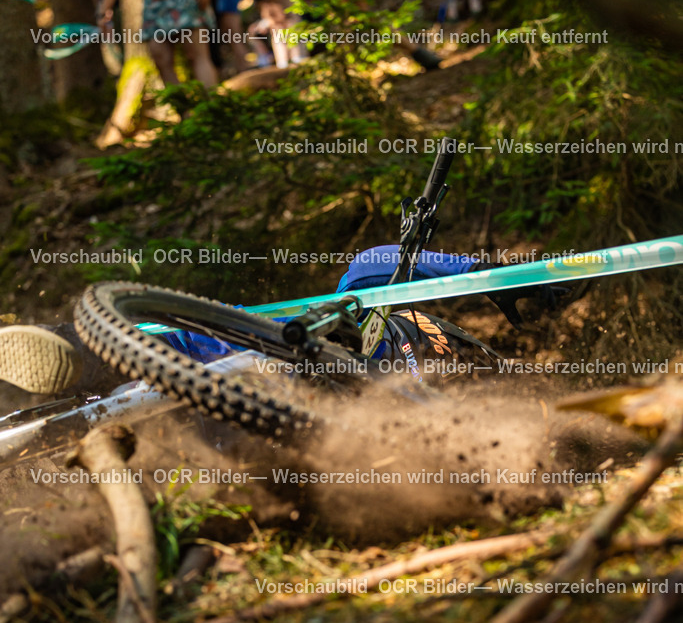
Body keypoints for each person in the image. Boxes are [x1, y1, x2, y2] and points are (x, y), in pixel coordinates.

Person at [0, 247, 570, 396]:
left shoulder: (488, 394)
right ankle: (65, 351)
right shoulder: (387, 318)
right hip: (299, 347)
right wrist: (495, 280)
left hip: (342, 408)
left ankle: (78, 361)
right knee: (185, 342)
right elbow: (374, 266)